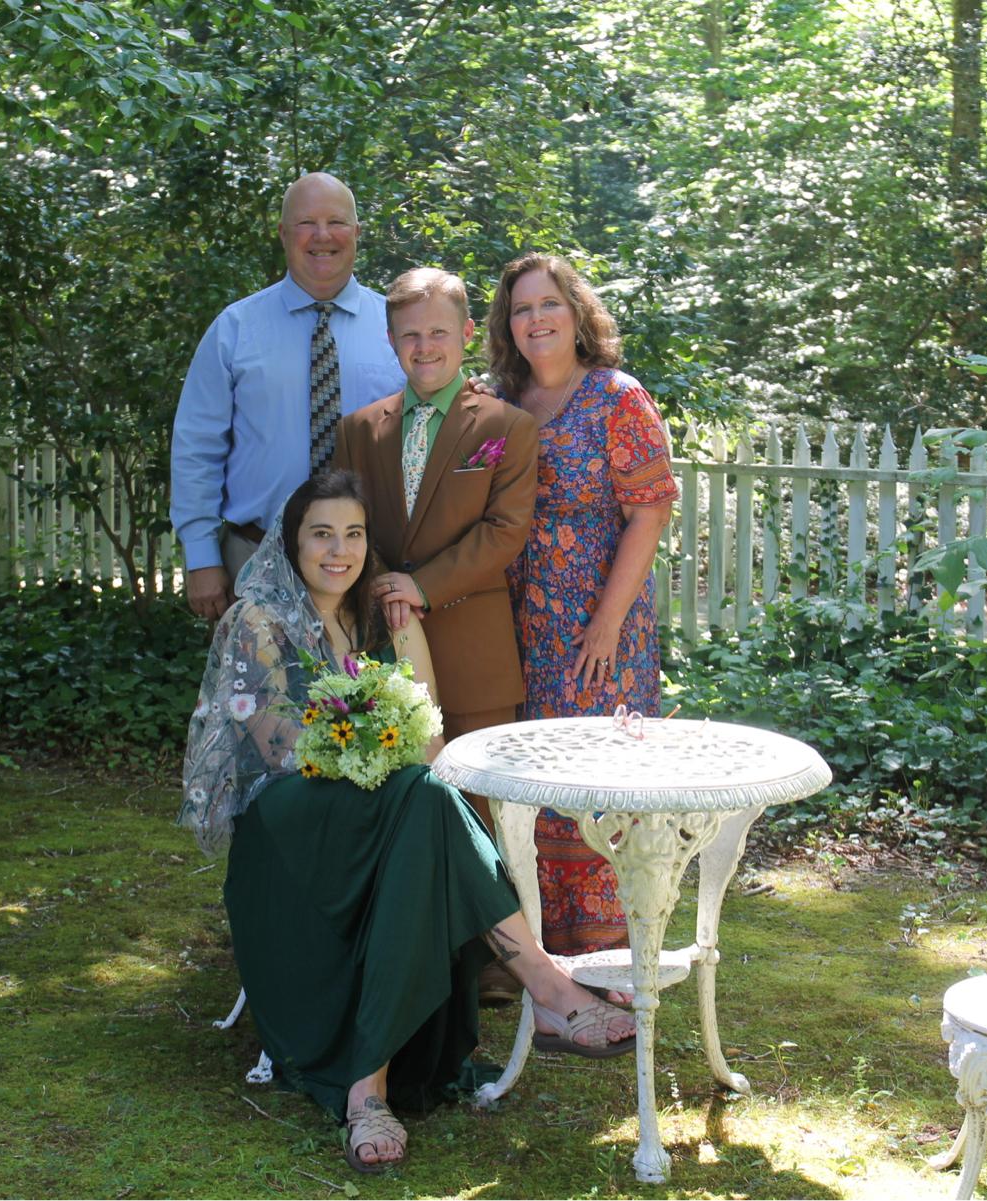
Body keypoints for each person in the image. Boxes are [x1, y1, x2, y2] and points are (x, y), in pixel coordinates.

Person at [177, 470, 637, 1175]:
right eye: (321, 534)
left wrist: (403, 662)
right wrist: (372, 754)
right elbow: (282, 747)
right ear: (291, 541)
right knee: (419, 798)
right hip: (288, 835)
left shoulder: (377, 620)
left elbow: (429, 738)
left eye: (353, 534)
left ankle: (369, 1091)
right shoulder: (258, 620)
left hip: (382, 817)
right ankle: (548, 988)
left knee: (423, 796)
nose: (339, 550)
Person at [485, 253, 680, 957]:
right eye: (521, 309)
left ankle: (614, 963)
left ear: (577, 314)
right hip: (520, 630)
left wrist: (605, 624)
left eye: (548, 305)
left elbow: (650, 514)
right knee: (534, 787)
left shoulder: (617, 396)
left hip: (601, 631)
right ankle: (545, 961)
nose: (535, 319)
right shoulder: (501, 401)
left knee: (599, 789)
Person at [331, 267, 538, 832]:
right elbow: (345, 525)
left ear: (467, 332)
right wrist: (382, 584)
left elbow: (505, 529)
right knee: (393, 807)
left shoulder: (508, 426)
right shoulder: (358, 430)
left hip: (475, 651)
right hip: (382, 647)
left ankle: (492, 923)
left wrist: (421, 586)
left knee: (483, 815)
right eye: (410, 335)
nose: (425, 348)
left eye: (438, 333)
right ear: (391, 340)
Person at [170, 172, 407, 622]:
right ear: (282, 233)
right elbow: (197, 448)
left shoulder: (398, 329)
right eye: (305, 223)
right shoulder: (235, 330)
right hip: (255, 557)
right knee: (257, 693)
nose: (322, 236)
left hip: (367, 565)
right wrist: (201, 555)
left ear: (357, 233)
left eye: (336, 221)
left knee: (364, 692)